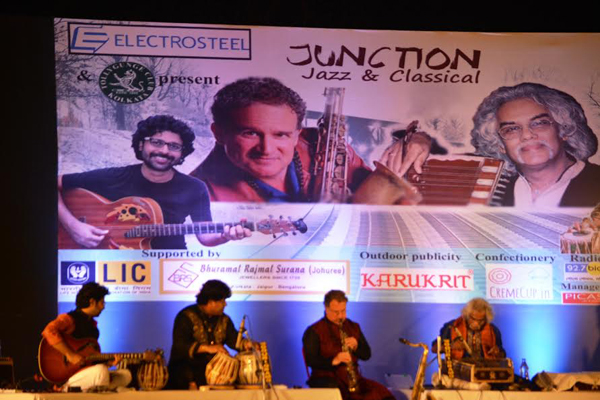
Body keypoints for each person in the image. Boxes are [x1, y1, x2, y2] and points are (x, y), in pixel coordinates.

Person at [190, 77, 431, 203]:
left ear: (297, 133)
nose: (267, 149)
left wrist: (417, 140)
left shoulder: (323, 145)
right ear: (219, 133)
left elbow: (381, 189)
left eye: (281, 134)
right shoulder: (195, 193)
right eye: (250, 133)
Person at [58, 115, 251, 249]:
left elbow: (206, 237)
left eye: (174, 146)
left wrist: (226, 235)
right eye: (157, 142)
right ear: (141, 144)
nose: (164, 151)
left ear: (182, 153)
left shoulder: (194, 187)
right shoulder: (113, 177)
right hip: (115, 265)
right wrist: (74, 227)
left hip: (171, 265)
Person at [471, 82, 600, 207]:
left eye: (539, 123)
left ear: (563, 130)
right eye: (511, 129)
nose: (527, 135)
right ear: (500, 145)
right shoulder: (486, 194)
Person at [302, 290, 394, 400]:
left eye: (343, 311)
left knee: (382, 393)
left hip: (354, 379)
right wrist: (334, 360)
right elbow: (310, 360)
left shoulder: (353, 326)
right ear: (326, 309)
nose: (340, 316)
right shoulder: (314, 330)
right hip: (327, 379)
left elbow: (367, 355)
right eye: (336, 312)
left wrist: (356, 346)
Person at [41, 282, 132, 391]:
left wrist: (109, 363)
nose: (103, 307)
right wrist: (70, 354)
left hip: (85, 373)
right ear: (92, 302)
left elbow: (89, 360)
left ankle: (99, 389)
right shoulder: (69, 319)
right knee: (101, 371)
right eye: (102, 302)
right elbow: (49, 331)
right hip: (68, 377)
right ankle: (65, 388)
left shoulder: (93, 328)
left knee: (125, 375)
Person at [167, 280, 252, 390]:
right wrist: (207, 348)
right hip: (185, 376)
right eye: (222, 301)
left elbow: (234, 339)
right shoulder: (185, 317)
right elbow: (180, 346)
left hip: (214, 377)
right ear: (211, 301)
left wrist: (247, 344)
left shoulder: (224, 319)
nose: (225, 304)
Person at [433, 298, 505, 361]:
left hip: (484, 369)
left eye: (481, 320)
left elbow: (502, 355)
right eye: (473, 319)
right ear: (467, 315)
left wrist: (497, 352)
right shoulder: (452, 326)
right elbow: (434, 349)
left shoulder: (493, 330)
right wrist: (451, 346)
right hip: (457, 369)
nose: (476, 323)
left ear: (486, 318)